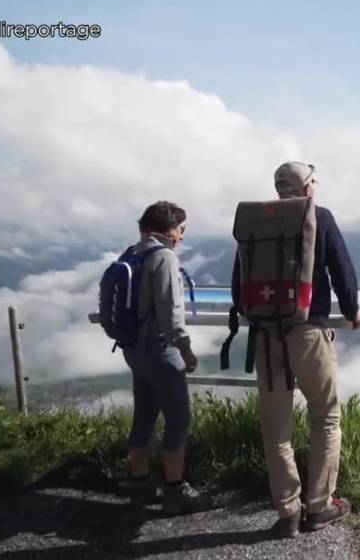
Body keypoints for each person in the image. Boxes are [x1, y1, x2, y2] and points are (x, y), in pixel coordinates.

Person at [233, 162, 360, 538]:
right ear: (307, 187)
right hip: (308, 331)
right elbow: (341, 269)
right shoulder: (318, 217)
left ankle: (288, 512)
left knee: (276, 428)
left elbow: (238, 278)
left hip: (265, 332)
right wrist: (352, 311)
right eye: (314, 181)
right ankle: (320, 506)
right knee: (325, 414)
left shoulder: (257, 222)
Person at [122, 200, 209, 513]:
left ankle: (139, 482)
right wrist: (185, 349)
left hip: (133, 350)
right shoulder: (164, 258)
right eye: (181, 230)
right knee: (178, 420)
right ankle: (175, 490)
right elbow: (171, 311)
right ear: (170, 230)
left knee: (143, 416)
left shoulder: (132, 253)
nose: (182, 237)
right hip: (161, 350)